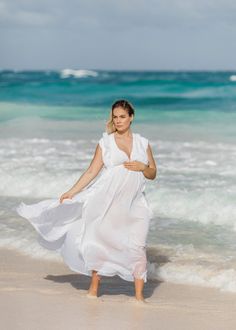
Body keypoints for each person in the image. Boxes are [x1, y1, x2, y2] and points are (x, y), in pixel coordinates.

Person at [16, 99, 157, 303]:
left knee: (137, 246)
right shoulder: (105, 143)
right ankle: (93, 289)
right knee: (100, 242)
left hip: (135, 204)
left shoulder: (143, 143)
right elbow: (92, 171)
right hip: (106, 201)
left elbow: (153, 173)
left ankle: (139, 297)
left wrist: (143, 167)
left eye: (122, 117)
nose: (118, 121)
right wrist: (71, 191)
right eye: (115, 117)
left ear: (131, 117)